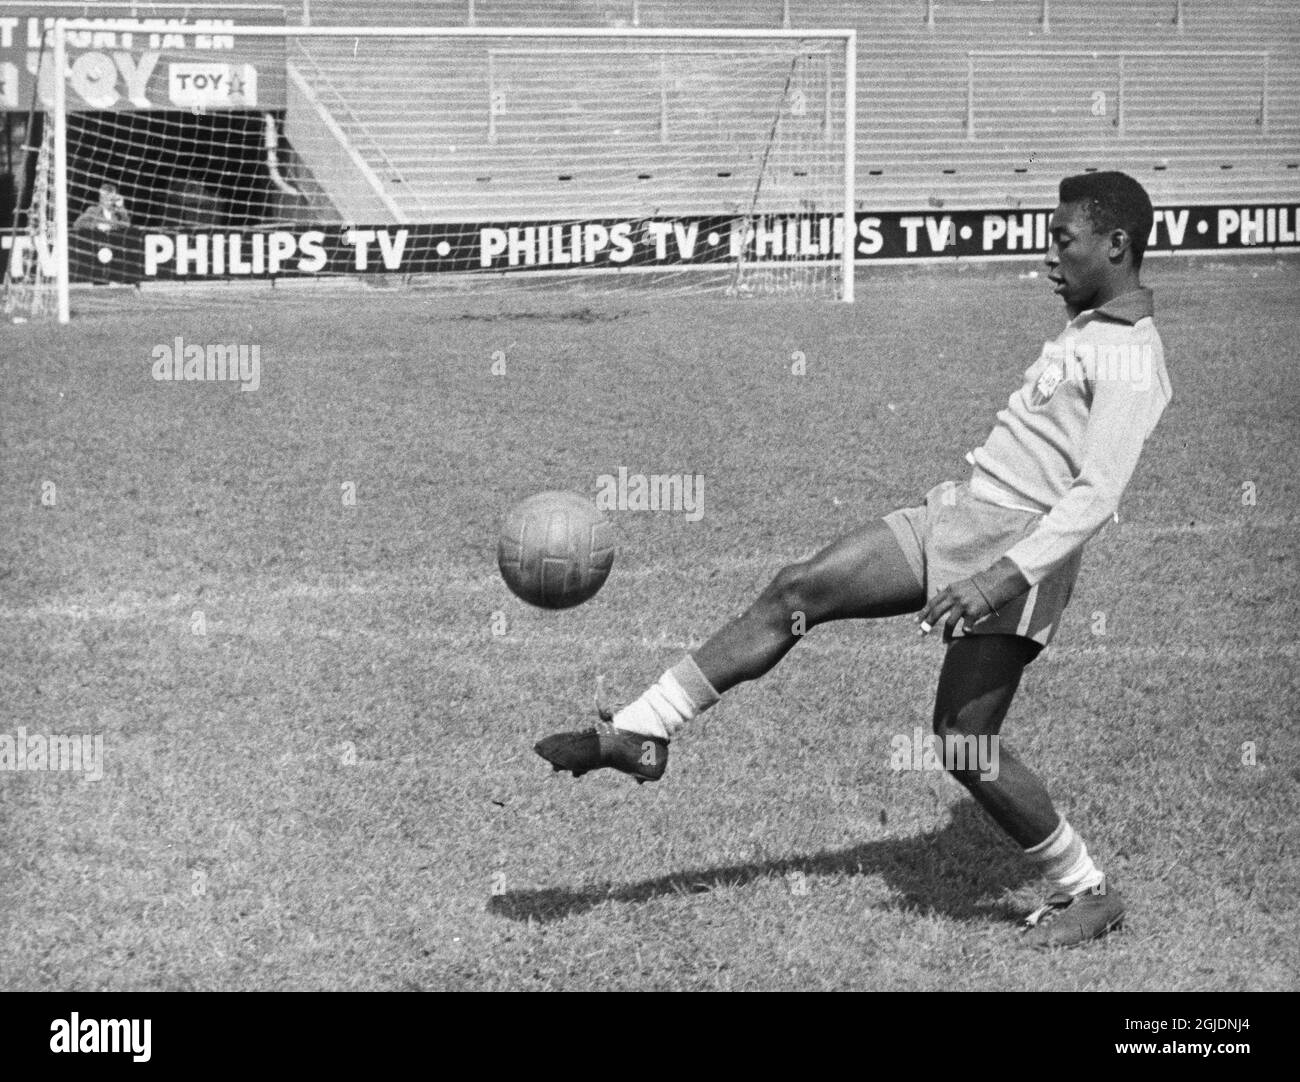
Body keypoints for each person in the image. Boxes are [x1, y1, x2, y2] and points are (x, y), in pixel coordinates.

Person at [535, 170, 1172, 949]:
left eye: (1063, 241)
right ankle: (644, 729)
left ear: (1117, 244)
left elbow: (1097, 494)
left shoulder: (1133, 354)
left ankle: (1088, 890)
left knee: (964, 741)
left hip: (1016, 550)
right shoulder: (1091, 323)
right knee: (799, 589)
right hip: (960, 512)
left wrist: (996, 580)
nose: (1048, 256)